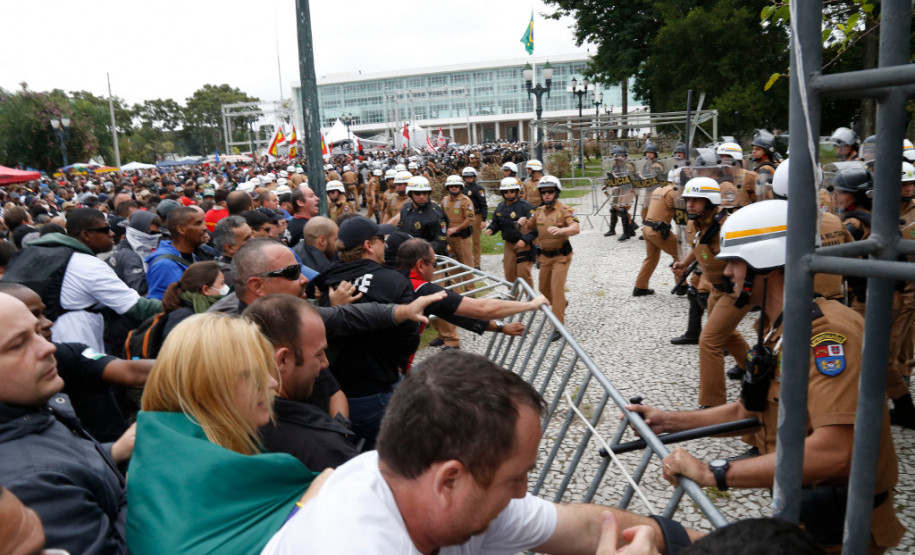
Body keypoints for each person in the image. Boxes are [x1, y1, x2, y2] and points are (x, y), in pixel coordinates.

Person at [631, 200, 905, 553]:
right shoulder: (778, 327)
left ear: (768, 267)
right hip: (800, 512)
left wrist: (714, 472)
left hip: (838, 530)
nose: (727, 272)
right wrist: (668, 421)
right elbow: (748, 412)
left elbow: (837, 451)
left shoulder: (827, 334)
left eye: (735, 262)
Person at [263, 350, 698, 555]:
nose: (523, 492)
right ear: (450, 479)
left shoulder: (413, 484)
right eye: (515, 477)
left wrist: (713, 544)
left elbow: (584, 527)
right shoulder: (353, 547)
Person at [127, 313, 325, 554]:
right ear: (210, 386)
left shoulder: (158, 456)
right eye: (255, 373)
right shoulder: (200, 471)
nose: (273, 383)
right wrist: (305, 507)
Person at [0, 293, 129, 554]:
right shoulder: (29, 484)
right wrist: (150, 483)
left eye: (36, 332)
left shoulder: (31, 408)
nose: (47, 347)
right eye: (17, 345)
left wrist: (113, 450)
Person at [4, 208, 162, 353]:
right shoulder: (86, 264)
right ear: (85, 235)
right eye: (105, 229)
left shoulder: (40, 252)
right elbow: (136, 306)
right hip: (76, 345)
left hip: (42, 344)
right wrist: (178, 305)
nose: (112, 233)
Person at [244, 294, 361, 470]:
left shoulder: (223, 420)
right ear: (283, 360)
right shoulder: (322, 449)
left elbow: (334, 391)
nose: (325, 363)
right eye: (319, 353)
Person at [672, 178, 749, 405]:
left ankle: (713, 402)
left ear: (711, 201)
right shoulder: (701, 223)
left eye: (696, 200)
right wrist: (684, 263)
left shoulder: (727, 225)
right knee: (727, 334)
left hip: (733, 291)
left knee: (709, 341)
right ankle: (752, 368)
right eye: (688, 200)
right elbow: (700, 246)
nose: (690, 205)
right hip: (716, 289)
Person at [518, 175, 580, 340]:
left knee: (557, 291)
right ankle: (560, 305)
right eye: (543, 192)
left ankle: (558, 327)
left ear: (556, 192)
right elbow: (530, 226)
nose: (546, 195)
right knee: (544, 289)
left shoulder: (564, 210)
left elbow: (575, 227)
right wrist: (522, 222)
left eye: (550, 191)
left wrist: (562, 231)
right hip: (544, 257)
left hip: (561, 256)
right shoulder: (538, 211)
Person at [145, 206, 210, 300]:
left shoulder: (192, 255)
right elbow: (161, 305)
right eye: (198, 223)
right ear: (181, 229)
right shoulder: (164, 264)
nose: (204, 228)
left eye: (203, 222)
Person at [487, 177, 537, 288]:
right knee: (509, 274)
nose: (509, 194)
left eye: (512, 191)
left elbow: (535, 228)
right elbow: (496, 222)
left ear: (517, 191)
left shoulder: (525, 206)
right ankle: (514, 301)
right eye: (506, 192)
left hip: (524, 245)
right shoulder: (500, 207)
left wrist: (525, 239)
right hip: (509, 245)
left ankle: (531, 300)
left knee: (523, 273)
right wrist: (491, 229)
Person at [159, 261, 228, 341]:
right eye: (222, 283)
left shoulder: (212, 310)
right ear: (205, 289)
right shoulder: (182, 317)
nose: (226, 287)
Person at [634, 179, 680, 296]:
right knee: (680, 254)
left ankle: (640, 287)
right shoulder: (672, 192)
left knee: (651, 258)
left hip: (648, 229)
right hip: (658, 230)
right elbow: (681, 210)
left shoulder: (658, 189)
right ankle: (682, 285)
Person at [108, 210, 162, 296]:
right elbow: (141, 289)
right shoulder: (129, 256)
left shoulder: (126, 247)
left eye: (158, 233)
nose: (156, 236)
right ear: (137, 231)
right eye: (152, 233)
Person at [212, 215, 252, 286]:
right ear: (229, 247)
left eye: (252, 235)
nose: (254, 239)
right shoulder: (229, 276)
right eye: (247, 238)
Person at [461, 166, 488, 269]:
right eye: (467, 177)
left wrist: (483, 219)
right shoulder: (462, 189)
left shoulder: (479, 189)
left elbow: (483, 205)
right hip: (464, 217)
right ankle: (466, 261)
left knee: (476, 241)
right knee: (464, 239)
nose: (469, 179)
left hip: (476, 216)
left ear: (474, 177)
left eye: (471, 177)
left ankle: (476, 264)